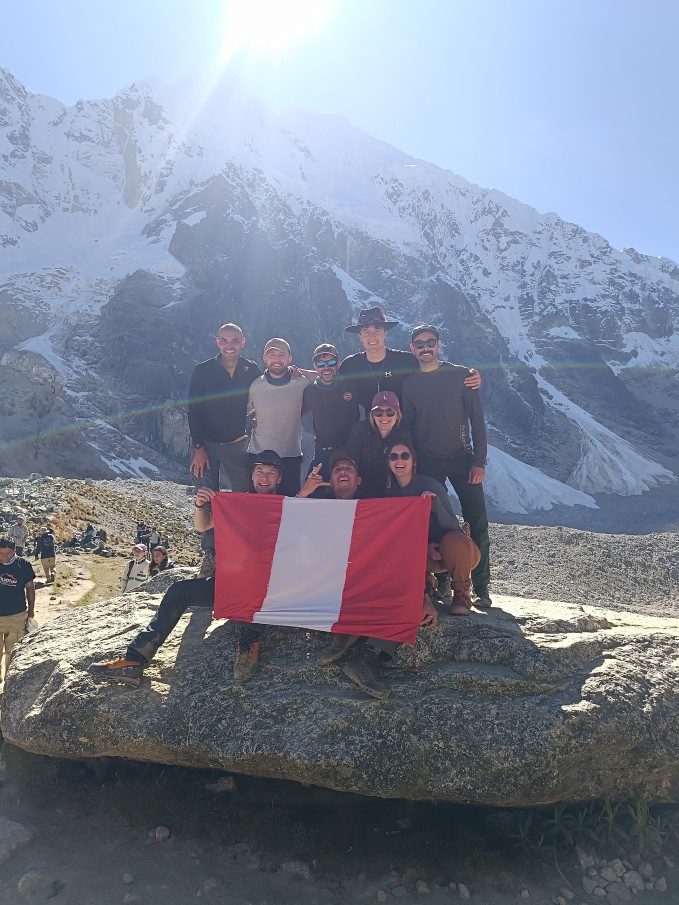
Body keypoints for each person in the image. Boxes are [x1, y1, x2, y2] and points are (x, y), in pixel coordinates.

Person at [91, 451, 287, 688]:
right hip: (232, 585)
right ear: (252, 476)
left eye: (271, 473)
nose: (264, 478)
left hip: (269, 589)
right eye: (259, 472)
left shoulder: (289, 505)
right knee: (179, 592)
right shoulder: (237, 503)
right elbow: (203, 526)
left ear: (279, 478)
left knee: (252, 592)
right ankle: (135, 659)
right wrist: (200, 505)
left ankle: (247, 646)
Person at [297, 452, 438, 700]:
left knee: (404, 600)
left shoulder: (377, 512)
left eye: (349, 469)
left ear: (359, 480)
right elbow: (286, 528)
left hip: (366, 584)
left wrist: (424, 595)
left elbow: (405, 554)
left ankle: (365, 658)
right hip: (327, 586)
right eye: (337, 469)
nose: (342, 472)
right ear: (330, 480)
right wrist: (303, 493)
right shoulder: (317, 509)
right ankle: (343, 636)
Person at [402, 324, 492, 607]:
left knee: (476, 518)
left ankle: (481, 584)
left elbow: (477, 420)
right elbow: (409, 428)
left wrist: (478, 461)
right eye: (419, 344)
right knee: (435, 520)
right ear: (412, 348)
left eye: (430, 342)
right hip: (427, 460)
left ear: (438, 344)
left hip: (462, 458)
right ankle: (443, 579)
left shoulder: (461, 376)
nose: (425, 348)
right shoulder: (410, 385)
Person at [188, 323, 262, 576]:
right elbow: (194, 410)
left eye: (234, 340)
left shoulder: (251, 369)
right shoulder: (203, 370)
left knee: (243, 497)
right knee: (207, 497)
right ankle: (211, 555)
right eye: (224, 340)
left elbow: (262, 396)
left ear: (243, 342)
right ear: (217, 341)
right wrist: (198, 447)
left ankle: (239, 548)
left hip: (237, 443)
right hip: (207, 445)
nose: (229, 345)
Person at [384, 440, 480, 613]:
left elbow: (453, 526)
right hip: (424, 556)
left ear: (413, 461)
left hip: (457, 553)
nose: (399, 460)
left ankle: (462, 592)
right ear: (388, 462)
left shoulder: (430, 485)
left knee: (454, 540)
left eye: (405, 456)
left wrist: (435, 505)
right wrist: (425, 548)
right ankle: (425, 584)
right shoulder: (390, 494)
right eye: (394, 456)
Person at [339, 306, 481, 412]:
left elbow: (434, 369)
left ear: (385, 333)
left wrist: (466, 374)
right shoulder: (350, 366)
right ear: (360, 336)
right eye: (366, 332)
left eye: (377, 330)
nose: (372, 337)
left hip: (406, 435)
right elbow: (329, 382)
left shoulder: (406, 361)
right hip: (367, 436)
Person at [247, 338, 315, 497]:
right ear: (265, 358)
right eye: (272, 355)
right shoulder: (256, 385)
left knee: (290, 504)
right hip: (259, 455)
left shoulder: (300, 381)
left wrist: (300, 371)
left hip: (289, 455)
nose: (277, 360)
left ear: (289, 359)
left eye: (282, 355)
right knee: (256, 505)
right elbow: (243, 411)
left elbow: (327, 376)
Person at [301, 343, 360, 490]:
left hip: (349, 451)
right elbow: (294, 413)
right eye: (321, 364)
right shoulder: (310, 392)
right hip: (322, 451)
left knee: (350, 494)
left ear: (338, 364)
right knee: (312, 493)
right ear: (315, 367)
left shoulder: (352, 386)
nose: (326, 367)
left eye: (331, 363)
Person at [343, 391, 412, 498]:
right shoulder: (359, 431)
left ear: (398, 415)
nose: (384, 416)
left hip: (392, 496)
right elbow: (349, 465)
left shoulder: (404, 435)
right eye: (378, 412)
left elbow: (410, 469)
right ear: (372, 415)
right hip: (361, 496)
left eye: (390, 412)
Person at [0, 538, 35, 695]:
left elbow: (30, 588)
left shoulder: (24, 565)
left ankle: (9, 684)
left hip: (17, 616)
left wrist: (31, 612)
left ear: (14, 551)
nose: (4, 557)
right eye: (0, 553)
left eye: (8, 553)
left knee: (12, 651)